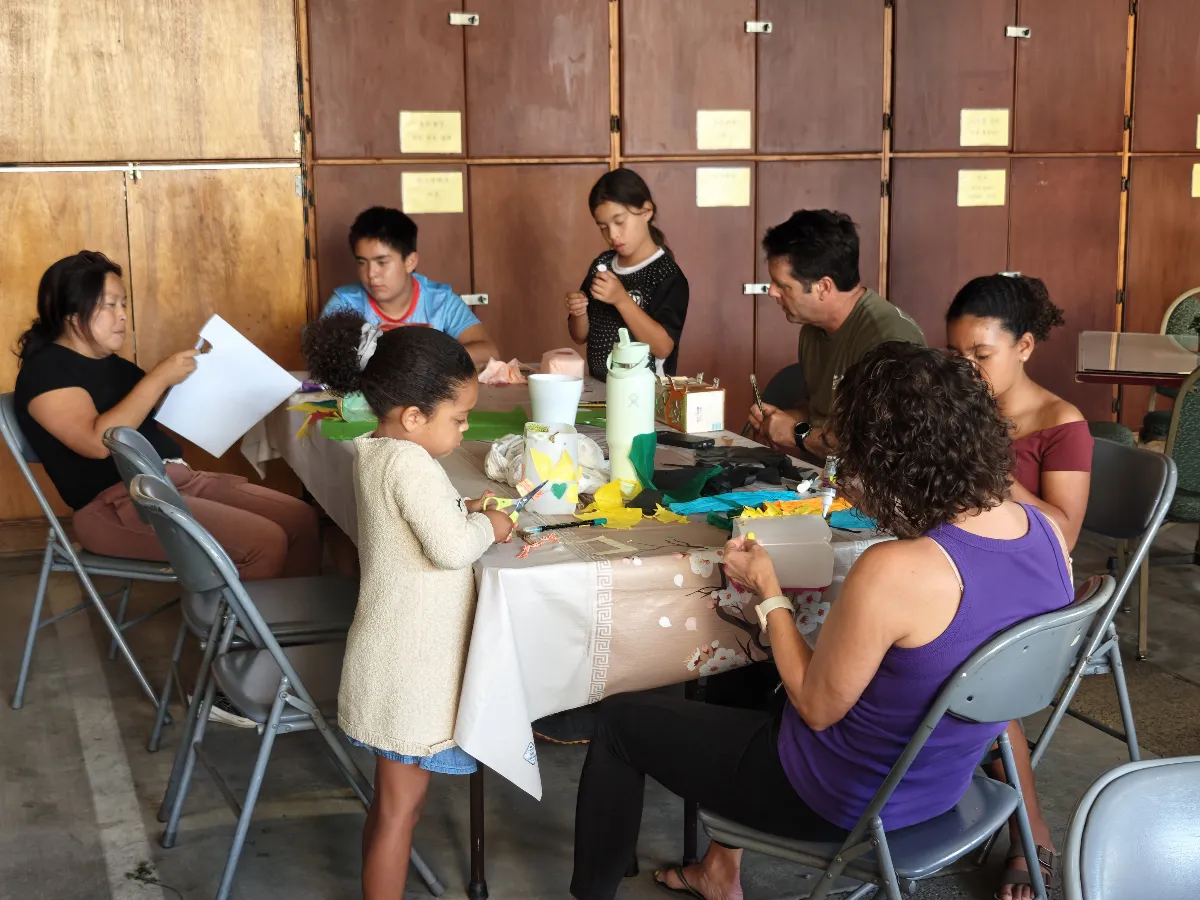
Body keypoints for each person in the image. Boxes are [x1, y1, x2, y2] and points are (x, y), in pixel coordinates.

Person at [569, 342, 1076, 900]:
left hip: (837, 799)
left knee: (618, 721)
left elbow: (815, 704)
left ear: (888, 461)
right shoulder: (1046, 532)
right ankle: (718, 870)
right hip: (942, 787)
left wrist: (768, 591)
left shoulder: (897, 569)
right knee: (749, 674)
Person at [301, 309, 514, 900]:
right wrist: (489, 525)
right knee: (401, 810)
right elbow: (449, 551)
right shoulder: (413, 465)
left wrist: (461, 510)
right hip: (406, 669)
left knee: (392, 806)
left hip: (392, 657)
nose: (465, 431)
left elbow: (418, 525)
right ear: (415, 416)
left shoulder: (379, 451)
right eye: (460, 419)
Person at [14, 251, 320, 583]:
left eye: (124, 304)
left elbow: (159, 414)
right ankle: (233, 629)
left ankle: (286, 626)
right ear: (72, 315)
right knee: (264, 542)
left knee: (300, 518)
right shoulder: (46, 371)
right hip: (116, 504)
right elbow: (96, 442)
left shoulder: (119, 368)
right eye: (109, 305)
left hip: (175, 482)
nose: (122, 316)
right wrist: (158, 378)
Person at [947, 273, 1093, 900]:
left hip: (1033, 587)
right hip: (960, 564)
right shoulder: (959, 409)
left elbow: (1060, 538)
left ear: (1025, 346)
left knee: (962, 651)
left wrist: (986, 465)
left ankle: (1031, 834)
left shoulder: (1063, 423)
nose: (968, 370)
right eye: (957, 357)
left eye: (981, 356)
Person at [748, 210, 924, 462]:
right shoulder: (812, 328)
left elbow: (884, 444)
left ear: (823, 287)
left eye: (783, 285)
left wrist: (797, 435)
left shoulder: (889, 339)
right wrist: (787, 418)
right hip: (822, 479)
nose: (772, 292)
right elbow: (821, 408)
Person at [322, 206, 499, 365]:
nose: (370, 274)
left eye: (382, 263)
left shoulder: (440, 301)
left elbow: (489, 353)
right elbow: (323, 360)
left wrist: (427, 354)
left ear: (410, 262)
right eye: (362, 263)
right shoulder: (344, 303)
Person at [565, 169, 689, 379]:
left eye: (620, 222)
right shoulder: (602, 265)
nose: (612, 235)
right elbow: (579, 336)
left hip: (643, 397)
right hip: (598, 391)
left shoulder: (667, 275)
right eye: (603, 227)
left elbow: (662, 347)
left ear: (646, 211)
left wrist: (622, 300)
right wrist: (578, 312)